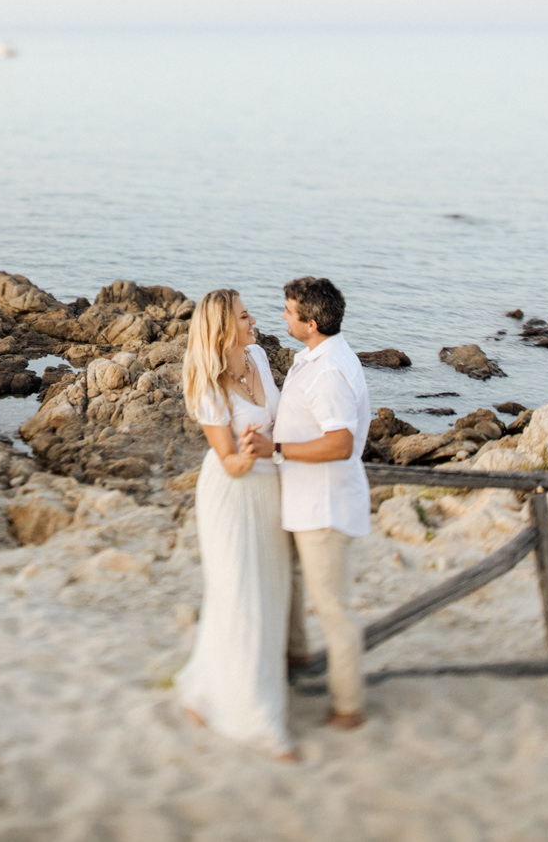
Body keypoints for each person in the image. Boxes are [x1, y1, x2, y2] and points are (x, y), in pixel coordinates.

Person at [171, 288, 297, 760]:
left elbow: (279, 421)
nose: (253, 319)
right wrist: (247, 452)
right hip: (232, 493)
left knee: (269, 593)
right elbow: (228, 460)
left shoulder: (259, 357)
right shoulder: (207, 385)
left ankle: (202, 691)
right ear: (224, 328)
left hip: (269, 490)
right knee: (237, 593)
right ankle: (255, 718)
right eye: (244, 316)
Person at [245, 275, 372, 730]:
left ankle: (348, 707)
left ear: (311, 322)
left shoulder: (330, 371)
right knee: (296, 585)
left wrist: (276, 450)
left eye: (288, 310)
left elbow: (339, 443)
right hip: (302, 501)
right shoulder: (315, 357)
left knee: (334, 609)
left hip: (326, 506)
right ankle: (297, 659)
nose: (282, 316)